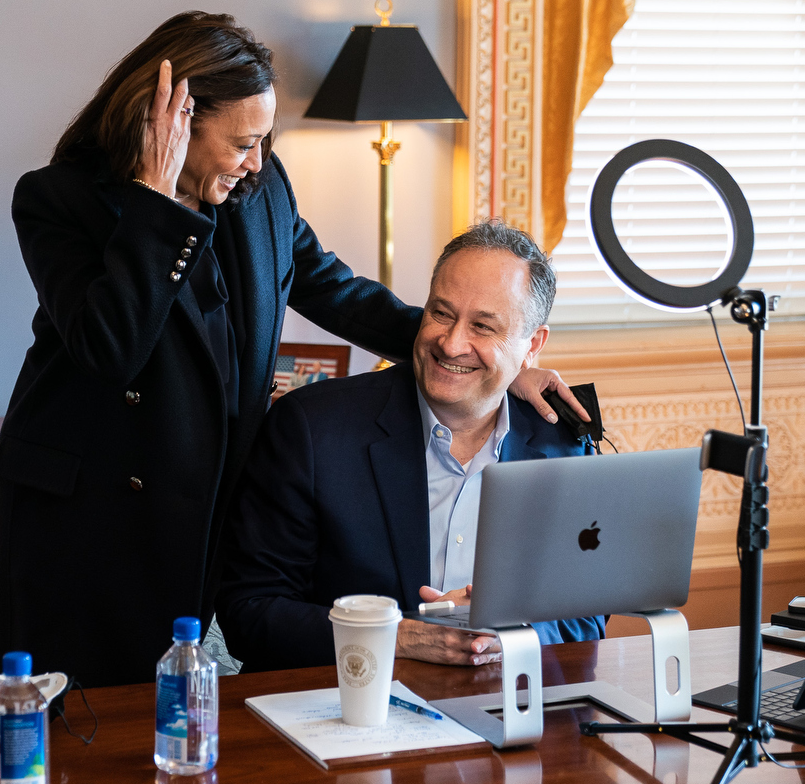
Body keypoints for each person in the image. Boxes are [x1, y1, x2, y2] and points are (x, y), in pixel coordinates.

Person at [0, 12, 587, 688]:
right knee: (83, 714)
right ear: (175, 123)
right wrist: (155, 202)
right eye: (243, 141)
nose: (257, 159)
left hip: (201, 495)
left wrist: (469, 354)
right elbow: (112, 347)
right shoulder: (57, 200)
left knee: (177, 703)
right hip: (90, 513)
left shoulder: (259, 188)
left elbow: (333, 288)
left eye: (265, 140)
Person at [217, 221, 604, 672]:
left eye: (482, 326)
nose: (452, 343)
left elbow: (587, 614)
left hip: (508, 714)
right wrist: (396, 636)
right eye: (441, 313)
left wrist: (515, 636)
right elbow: (250, 611)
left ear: (532, 345)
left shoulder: (564, 444)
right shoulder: (311, 429)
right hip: (347, 713)